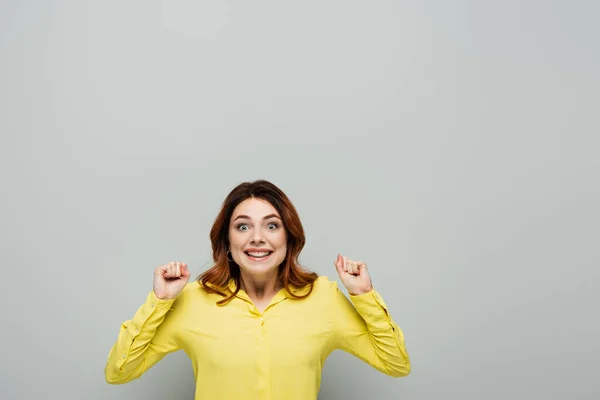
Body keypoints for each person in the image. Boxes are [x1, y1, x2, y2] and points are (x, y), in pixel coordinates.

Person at [104, 179, 411, 399]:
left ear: (289, 239)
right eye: (243, 226)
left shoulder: (323, 298)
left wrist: (364, 296)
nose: (257, 238)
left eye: (272, 225)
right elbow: (119, 372)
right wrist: (160, 301)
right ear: (227, 242)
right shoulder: (192, 301)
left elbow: (395, 364)